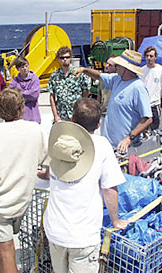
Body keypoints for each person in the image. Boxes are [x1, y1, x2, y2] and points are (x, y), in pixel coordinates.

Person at [38, 98, 129, 273]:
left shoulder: (59, 141)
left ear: (72, 119)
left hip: (55, 230)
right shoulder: (102, 146)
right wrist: (116, 220)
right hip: (83, 236)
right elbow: (109, 188)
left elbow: (50, 173)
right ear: (99, 123)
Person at [0, 87, 47, 273]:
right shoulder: (35, 130)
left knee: (6, 250)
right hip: (22, 200)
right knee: (3, 248)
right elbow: (47, 161)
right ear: (22, 108)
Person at [73, 49, 152, 154]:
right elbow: (99, 76)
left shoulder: (138, 88)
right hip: (110, 144)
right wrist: (84, 70)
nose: (117, 67)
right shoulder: (117, 79)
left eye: (119, 65)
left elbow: (148, 118)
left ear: (127, 69)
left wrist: (129, 138)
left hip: (125, 147)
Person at [47, 46, 90, 122]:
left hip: (77, 114)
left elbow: (86, 91)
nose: (65, 59)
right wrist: (55, 115)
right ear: (58, 59)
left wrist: (79, 105)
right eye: (62, 58)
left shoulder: (79, 73)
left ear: (71, 58)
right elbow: (52, 96)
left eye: (67, 57)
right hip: (61, 115)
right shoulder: (54, 76)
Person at [140, 46, 162, 130]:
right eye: (147, 56)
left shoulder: (161, 70)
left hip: (154, 105)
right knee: (143, 129)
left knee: (155, 128)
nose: (149, 58)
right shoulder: (141, 70)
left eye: (151, 56)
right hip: (143, 105)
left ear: (155, 57)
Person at [9, 57, 41, 123]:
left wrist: (19, 93)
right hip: (20, 117)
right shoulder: (14, 81)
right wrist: (27, 93)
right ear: (18, 69)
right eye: (22, 67)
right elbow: (11, 95)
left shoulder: (35, 79)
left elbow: (34, 95)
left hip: (33, 116)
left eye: (26, 66)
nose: (25, 68)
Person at [97, 57, 117, 134]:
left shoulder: (117, 80)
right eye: (107, 63)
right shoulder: (102, 79)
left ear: (116, 68)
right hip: (103, 114)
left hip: (114, 116)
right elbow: (99, 96)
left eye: (110, 65)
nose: (106, 66)